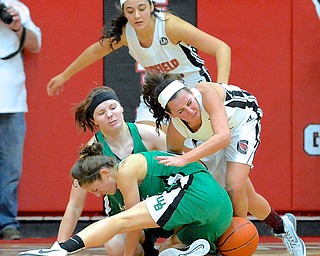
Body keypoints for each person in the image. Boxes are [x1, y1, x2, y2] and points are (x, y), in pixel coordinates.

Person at [141, 72, 307, 256]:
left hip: (241, 122)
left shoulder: (206, 92)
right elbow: (174, 163)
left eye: (189, 102)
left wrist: (186, 159)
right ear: (170, 114)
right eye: (181, 111)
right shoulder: (176, 130)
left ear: (191, 92)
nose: (190, 111)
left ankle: (235, 240)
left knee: (235, 187)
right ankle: (282, 225)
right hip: (213, 136)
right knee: (245, 194)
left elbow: (224, 136)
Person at [18, 142, 233, 256]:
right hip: (220, 210)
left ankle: (62, 250)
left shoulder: (126, 169)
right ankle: (191, 253)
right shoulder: (129, 173)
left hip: (196, 193)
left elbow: (130, 223)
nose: (97, 195)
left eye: (95, 189)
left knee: (118, 221)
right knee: (168, 249)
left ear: (104, 173)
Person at [46, 0, 231, 126]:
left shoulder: (170, 26)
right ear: (124, 12)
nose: (137, 15)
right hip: (157, 91)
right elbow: (96, 50)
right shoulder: (126, 33)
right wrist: (65, 75)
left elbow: (222, 48)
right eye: (130, 11)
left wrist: (221, 89)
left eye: (141, 8)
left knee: (203, 145)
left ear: (151, 6)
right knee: (144, 138)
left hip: (191, 86)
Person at [58, 86, 170, 255]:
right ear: (94, 120)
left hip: (165, 212)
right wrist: (58, 248)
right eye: (101, 112)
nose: (109, 114)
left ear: (121, 107)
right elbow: (74, 206)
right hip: (127, 219)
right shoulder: (90, 155)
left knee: (176, 249)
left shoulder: (151, 135)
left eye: (113, 107)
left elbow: (184, 170)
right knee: (113, 244)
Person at [0, 0, 41, 240]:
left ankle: (7, 222)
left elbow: (35, 45)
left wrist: (16, 26)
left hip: (11, 102)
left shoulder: (16, 7)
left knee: (10, 168)